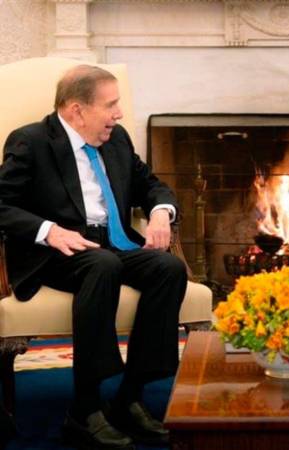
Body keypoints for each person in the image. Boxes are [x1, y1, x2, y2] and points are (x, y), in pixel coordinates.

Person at [0, 65, 188, 449]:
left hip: (114, 244)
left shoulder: (115, 140)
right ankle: (84, 409)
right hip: (57, 250)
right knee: (103, 265)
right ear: (76, 110)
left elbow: (151, 185)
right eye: (111, 105)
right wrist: (49, 231)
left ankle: (129, 397)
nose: (119, 114)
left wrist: (158, 212)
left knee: (167, 267)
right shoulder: (31, 142)